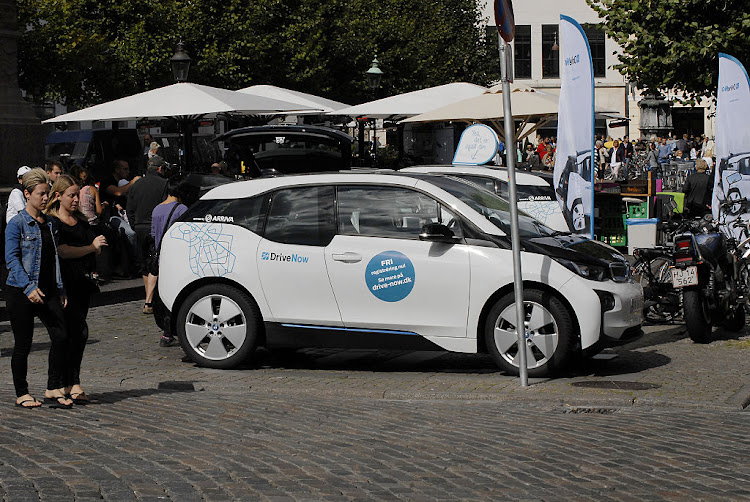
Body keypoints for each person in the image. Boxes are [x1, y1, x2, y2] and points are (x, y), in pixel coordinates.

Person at [5, 168, 70, 408]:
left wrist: (60, 288)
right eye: (41, 194)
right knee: (23, 343)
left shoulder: (50, 223)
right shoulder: (17, 224)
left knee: (61, 336)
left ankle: (53, 387)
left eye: (47, 193)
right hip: (21, 290)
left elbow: (54, 258)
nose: (45, 198)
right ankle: (22, 392)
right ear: (27, 194)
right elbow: (11, 259)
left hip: (48, 289)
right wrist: (28, 287)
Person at [45, 174, 107, 405]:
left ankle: (73, 382)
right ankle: (59, 383)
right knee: (70, 334)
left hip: (82, 284)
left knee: (78, 335)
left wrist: (93, 247)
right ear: (58, 196)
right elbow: (64, 251)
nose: (75, 200)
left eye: (77, 195)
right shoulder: (54, 223)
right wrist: (90, 247)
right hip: (63, 286)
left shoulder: (80, 221)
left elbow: (96, 245)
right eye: (71, 195)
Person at [127, 155, 168, 314]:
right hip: (155, 228)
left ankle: (148, 298)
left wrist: (134, 225)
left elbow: (129, 209)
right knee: (156, 263)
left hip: (140, 228)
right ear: (159, 169)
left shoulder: (136, 185)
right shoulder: (164, 184)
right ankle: (151, 300)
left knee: (144, 264)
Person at [150, 176, 188, 347]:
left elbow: (153, 234)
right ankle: (175, 330)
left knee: (165, 295)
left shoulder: (157, 209)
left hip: (160, 257)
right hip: (176, 257)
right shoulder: (182, 209)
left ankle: (166, 333)